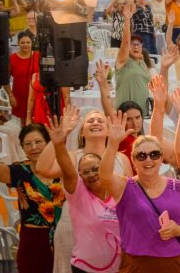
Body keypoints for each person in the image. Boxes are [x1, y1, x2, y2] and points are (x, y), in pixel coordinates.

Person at [100, 111, 180, 271]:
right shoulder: (125, 186)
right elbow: (104, 176)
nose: (148, 160)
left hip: (175, 264)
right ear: (133, 160)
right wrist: (112, 143)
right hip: (137, 265)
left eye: (154, 154)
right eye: (141, 155)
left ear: (161, 159)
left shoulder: (176, 186)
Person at [0, 120, 63, 273]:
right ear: (22, 148)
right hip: (33, 240)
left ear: (48, 143)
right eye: (27, 144)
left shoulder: (62, 167)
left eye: (38, 142)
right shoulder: (19, 171)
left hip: (63, 236)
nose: (33, 147)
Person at [46, 107, 123, 273]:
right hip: (81, 256)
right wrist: (58, 144)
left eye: (96, 169)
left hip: (117, 257)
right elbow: (63, 169)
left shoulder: (119, 174)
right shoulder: (77, 188)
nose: (92, 174)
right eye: (86, 171)